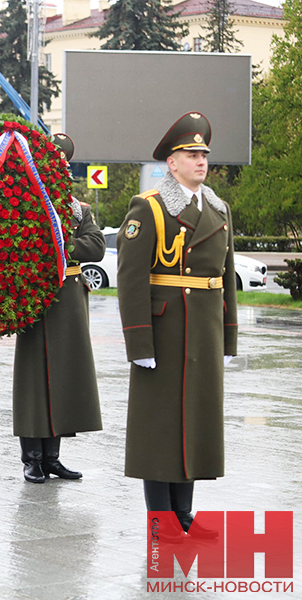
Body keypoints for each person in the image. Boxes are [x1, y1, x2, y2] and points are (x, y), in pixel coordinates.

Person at [117, 112, 237, 539]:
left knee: (195, 423)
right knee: (160, 427)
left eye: (204, 154)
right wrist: (138, 342)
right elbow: (131, 281)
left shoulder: (219, 208)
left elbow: (225, 277)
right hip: (163, 333)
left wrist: (228, 334)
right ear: (172, 162)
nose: (201, 161)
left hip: (203, 330)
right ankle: (160, 520)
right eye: (191, 154)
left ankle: (184, 516)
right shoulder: (148, 207)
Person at [12, 133, 105, 484]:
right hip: (35, 295)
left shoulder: (77, 208)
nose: (61, 170)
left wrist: (58, 244)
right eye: (55, 163)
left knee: (64, 378)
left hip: (68, 299)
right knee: (35, 378)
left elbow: (95, 246)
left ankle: (53, 457)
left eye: (65, 165)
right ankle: (32, 458)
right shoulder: (26, 205)